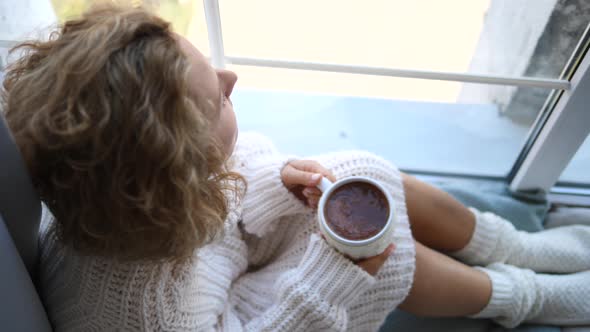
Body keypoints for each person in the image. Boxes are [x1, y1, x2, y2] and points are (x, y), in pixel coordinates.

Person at [2, 4, 589, 331]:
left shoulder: (115, 190)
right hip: (232, 316)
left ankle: (514, 245)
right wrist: (334, 275)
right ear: (179, 177)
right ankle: (523, 297)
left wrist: (276, 185)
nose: (232, 80)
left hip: (210, 259)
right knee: (380, 264)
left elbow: (219, 203)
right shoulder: (143, 318)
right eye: (219, 101)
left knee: (358, 174)